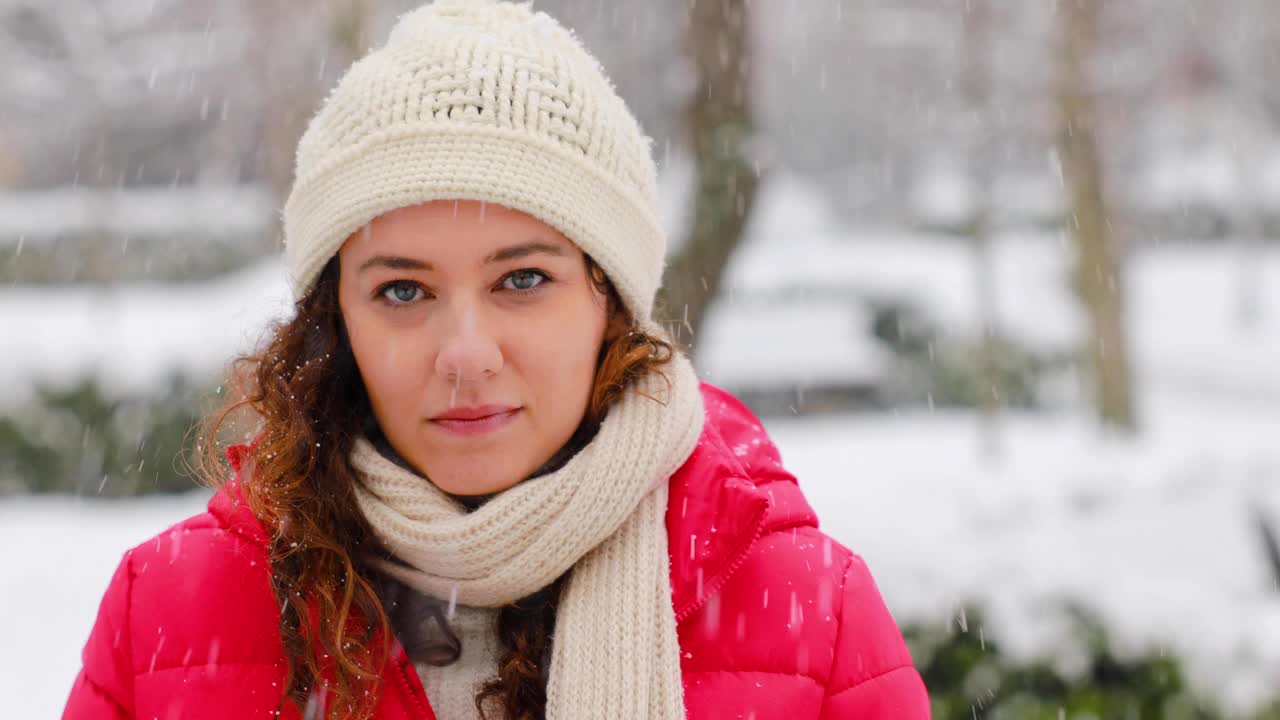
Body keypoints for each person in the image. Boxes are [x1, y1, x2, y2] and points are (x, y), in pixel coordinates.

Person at [62, 1, 930, 718]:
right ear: (337, 320)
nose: (466, 356)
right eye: (403, 291)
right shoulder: (173, 611)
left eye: (522, 278)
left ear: (607, 300)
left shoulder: (811, 616)